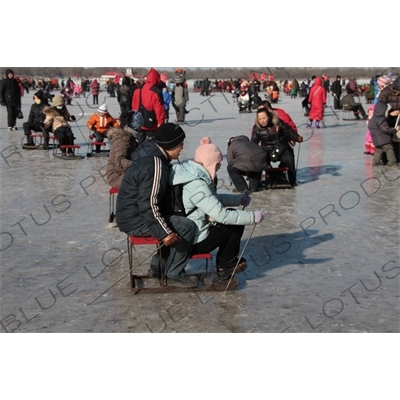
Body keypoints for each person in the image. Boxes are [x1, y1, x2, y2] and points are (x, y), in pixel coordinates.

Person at [170, 137, 266, 282]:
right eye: (218, 163)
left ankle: (226, 263)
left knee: (234, 217)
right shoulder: (197, 184)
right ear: (209, 163)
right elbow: (221, 215)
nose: (220, 167)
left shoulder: (190, 174)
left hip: (186, 234)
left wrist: (238, 200)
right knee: (234, 223)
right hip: (193, 240)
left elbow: (211, 200)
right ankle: (226, 265)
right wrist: (252, 217)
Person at [116, 123, 198, 288]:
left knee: (176, 221)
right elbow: (148, 204)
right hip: (135, 219)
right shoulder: (155, 164)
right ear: (170, 145)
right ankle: (174, 273)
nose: (182, 147)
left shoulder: (152, 155)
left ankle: (157, 266)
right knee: (187, 226)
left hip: (133, 215)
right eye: (180, 144)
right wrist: (164, 233)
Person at [251, 108, 303, 187]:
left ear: (269, 116)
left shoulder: (278, 123)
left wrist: (297, 137)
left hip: (282, 148)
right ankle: (255, 183)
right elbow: (254, 141)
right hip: (267, 151)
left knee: (289, 160)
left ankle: (292, 181)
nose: (262, 121)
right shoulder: (257, 128)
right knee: (259, 160)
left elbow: (288, 131)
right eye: (260, 119)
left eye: (264, 118)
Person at [131, 68, 165, 138]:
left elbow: (133, 106)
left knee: (140, 145)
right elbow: (159, 109)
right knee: (152, 145)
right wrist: (160, 123)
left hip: (138, 123)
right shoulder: (156, 91)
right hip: (152, 124)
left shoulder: (137, 89)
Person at [106, 122, 139, 189]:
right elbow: (120, 161)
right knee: (145, 179)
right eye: (139, 127)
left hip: (124, 172)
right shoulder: (122, 141)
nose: (140, 129)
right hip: (116, 176)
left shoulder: (130, 139)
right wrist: (137, 164)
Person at [368, 101, 399, 167]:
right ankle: (392, 162)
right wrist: (392, 130)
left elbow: (369, 127)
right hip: (383, 139)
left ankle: (375, 162)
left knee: (379, 150)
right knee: (389, 149)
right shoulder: (381, 119)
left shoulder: (372, 119)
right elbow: (385, 129)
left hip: (376, 140)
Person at [378, 76, 400, 162]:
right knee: (386, 140)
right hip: (386, 118)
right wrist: (389, 112)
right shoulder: (385, 92)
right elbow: (379, 108)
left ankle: (398, 157)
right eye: (397, 91)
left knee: (397, 138)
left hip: (398, 119)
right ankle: (384, 159)